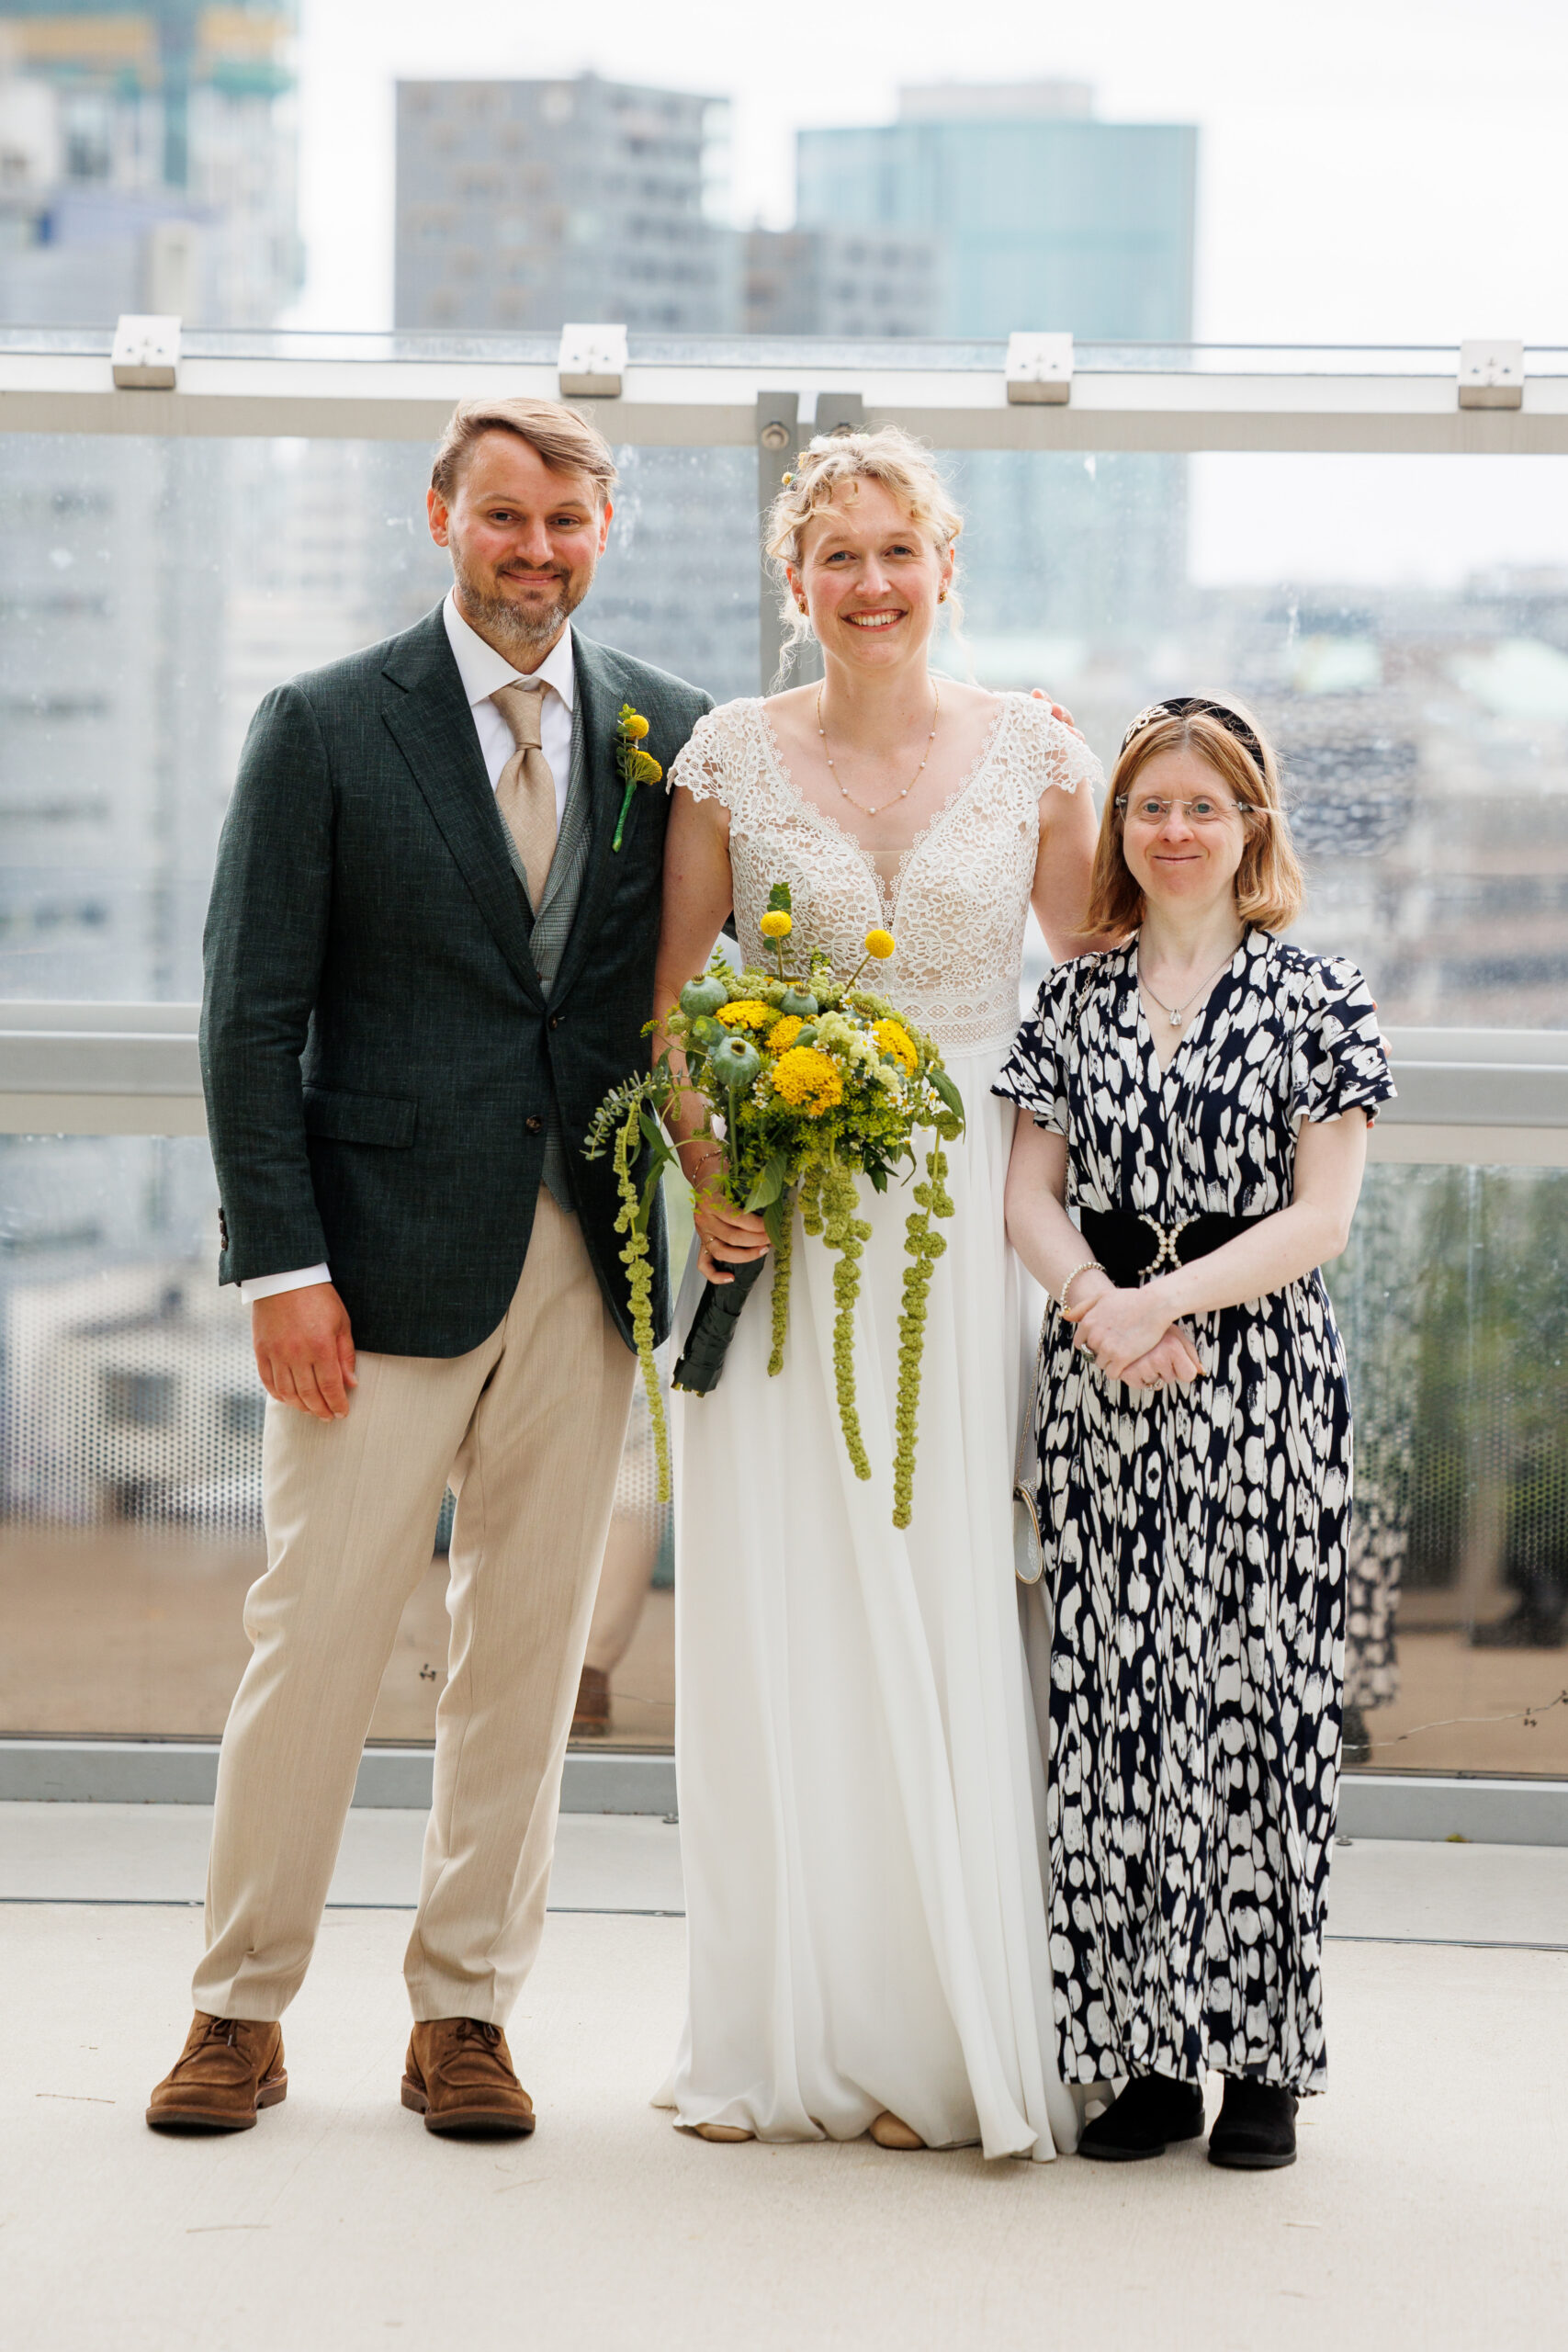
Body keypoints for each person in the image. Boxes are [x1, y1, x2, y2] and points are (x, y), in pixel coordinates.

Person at [145, 398, 710, 2139]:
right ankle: (239, 2005)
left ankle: (467, 2010)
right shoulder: (323, 725)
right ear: (441, 518)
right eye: (504, 518)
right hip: (370, 1270)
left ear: (605, 529)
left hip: (582, 1259)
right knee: (311, 1638)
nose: (535, 550)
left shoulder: (669, 731)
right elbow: (252, 1019)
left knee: (528, 1657)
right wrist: (279, 1267)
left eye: (566, 521)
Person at [652, 427, 1102, 2157]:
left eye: (898, 549)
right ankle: (795, 2031)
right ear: (796, 584)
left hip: (976, 1209)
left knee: (952, 1580)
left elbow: (1097, 977)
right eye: (837, 555)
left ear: (947, 562)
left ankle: (948, 2025)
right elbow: (682, 998)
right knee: (798, 1603)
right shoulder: (725, 759)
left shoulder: (1036, 751)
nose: (872, 582)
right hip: (798, 1214)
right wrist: (710, 1176)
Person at [997, 695, 1394, 2172]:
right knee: (1119, 1708)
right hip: (1106, 1393)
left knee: (1262, 1710)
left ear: (1251, 830)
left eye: (1204, 809)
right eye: (1150, 807)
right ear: (1120, 830)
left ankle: (1268, 2062)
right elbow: (1026, 1193)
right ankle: (1149, 2058)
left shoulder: (1321, 993)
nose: (1176, 832)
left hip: (1264, 1386)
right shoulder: (1071, 1000)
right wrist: (1102, 1307)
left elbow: (1323, 1217)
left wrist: (1152, 1302)